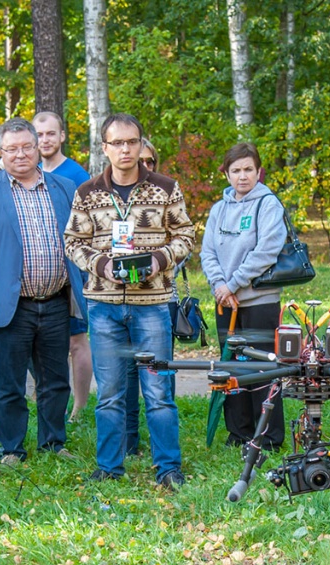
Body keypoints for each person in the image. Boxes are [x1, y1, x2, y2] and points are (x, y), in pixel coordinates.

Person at [64, 113, 194, 489]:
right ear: (104, 147)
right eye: (117, 143)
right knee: (110, 393)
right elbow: (72, 242)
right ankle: (109, 466)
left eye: (132, 142)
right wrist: (101, 264)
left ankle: (168, 468)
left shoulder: (166, 188)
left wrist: (158, 259)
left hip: (152, 303)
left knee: (158, 391)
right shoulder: (88, 193)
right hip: (103, 305)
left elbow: (184, 234)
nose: (125, 149)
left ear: (141, 145)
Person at [0, 117, 85, 465]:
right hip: (9, 304)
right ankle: (12, 448)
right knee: (10, 383)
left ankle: (53, 442)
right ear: (1, 153)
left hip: (57, 301)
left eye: (26, 146)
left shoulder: (63, 188)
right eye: (11, 149)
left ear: (37, 148)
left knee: (55, 380)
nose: (20, 154)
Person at [200, 142, 287, 449]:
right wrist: (219, 287)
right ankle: (238, 434)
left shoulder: (268, 204)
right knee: (233, 369)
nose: (242, 176)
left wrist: (234, 284)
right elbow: (207, 252)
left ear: (258, 171)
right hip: (225, 302)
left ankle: (267, 437)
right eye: (235, 170)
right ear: (226, 174)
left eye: (248, 169)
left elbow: (266, 251)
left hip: (258, 301)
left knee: (263, 369)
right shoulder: (218, 209)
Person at [33, 111, 93, 422]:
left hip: (72, 270)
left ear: (62, 136)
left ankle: (80, 408)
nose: (44, 140)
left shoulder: (76, 175)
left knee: (76, 340)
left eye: (50, 134)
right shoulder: (30, 170)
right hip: (40, 274)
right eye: (39, 135)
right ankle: (51, 401)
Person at [123, 138, 159, 456]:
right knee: (125, 375)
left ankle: (162, 442)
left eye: (150, 162)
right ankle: (128, 440)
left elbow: (182, 245)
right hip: (120, 300)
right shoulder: (112, 197)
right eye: (140, 161)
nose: (145, 167)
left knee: (158, 372)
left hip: (157, 298)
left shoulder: (165, 195)